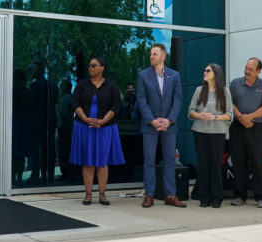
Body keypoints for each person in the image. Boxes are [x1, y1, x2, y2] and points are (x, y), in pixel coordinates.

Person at [70, 57, 125, 206]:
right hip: (85, 126)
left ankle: (102, 194)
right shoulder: (82, 84)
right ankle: (88, 194)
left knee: (102, 161)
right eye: (89, 66)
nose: (90, 68)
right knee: (88, 161)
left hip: (105, 127)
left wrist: (103, 121)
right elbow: (75, 103)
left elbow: (116, 106)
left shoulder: (111, 85)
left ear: (102, 68)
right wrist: (86, 118)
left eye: (93, 66)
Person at [136, 43, 186, 207]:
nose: (151, 56)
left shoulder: (175, 75)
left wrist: (169, 120)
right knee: (149, 160)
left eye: (155, 54)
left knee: (170, 160)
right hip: (150, 125)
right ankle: (149, 194)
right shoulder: (143, 75)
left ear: (163, 56)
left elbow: (178, 99)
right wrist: (152, 120)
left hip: (169, 125)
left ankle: (170, 195)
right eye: (150, 54)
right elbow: (141, 100)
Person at [228, 57, 262, 208]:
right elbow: (230, 103)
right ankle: (240, 195)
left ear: (258, 71)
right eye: (246, 68)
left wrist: (249, 117)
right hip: (238, 126)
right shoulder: (235, 83)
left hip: (256, 128)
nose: (247, 71)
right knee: (238, 162)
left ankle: (261, 197)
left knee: (258, 163)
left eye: (251, 69)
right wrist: (241, 117)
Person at [189, 63, 233, 208]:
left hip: (217, 133)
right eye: (204, 70)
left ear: (216, 73)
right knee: (203, 164)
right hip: (199, 131)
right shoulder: (199, 90)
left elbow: (229, 115)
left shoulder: (225, 92)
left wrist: (214, 117)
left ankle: (216, 197)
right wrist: (199, 115)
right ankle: (204, 197)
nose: (205, 72)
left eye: (208, 70)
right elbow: (190, 112)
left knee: (215, 164)